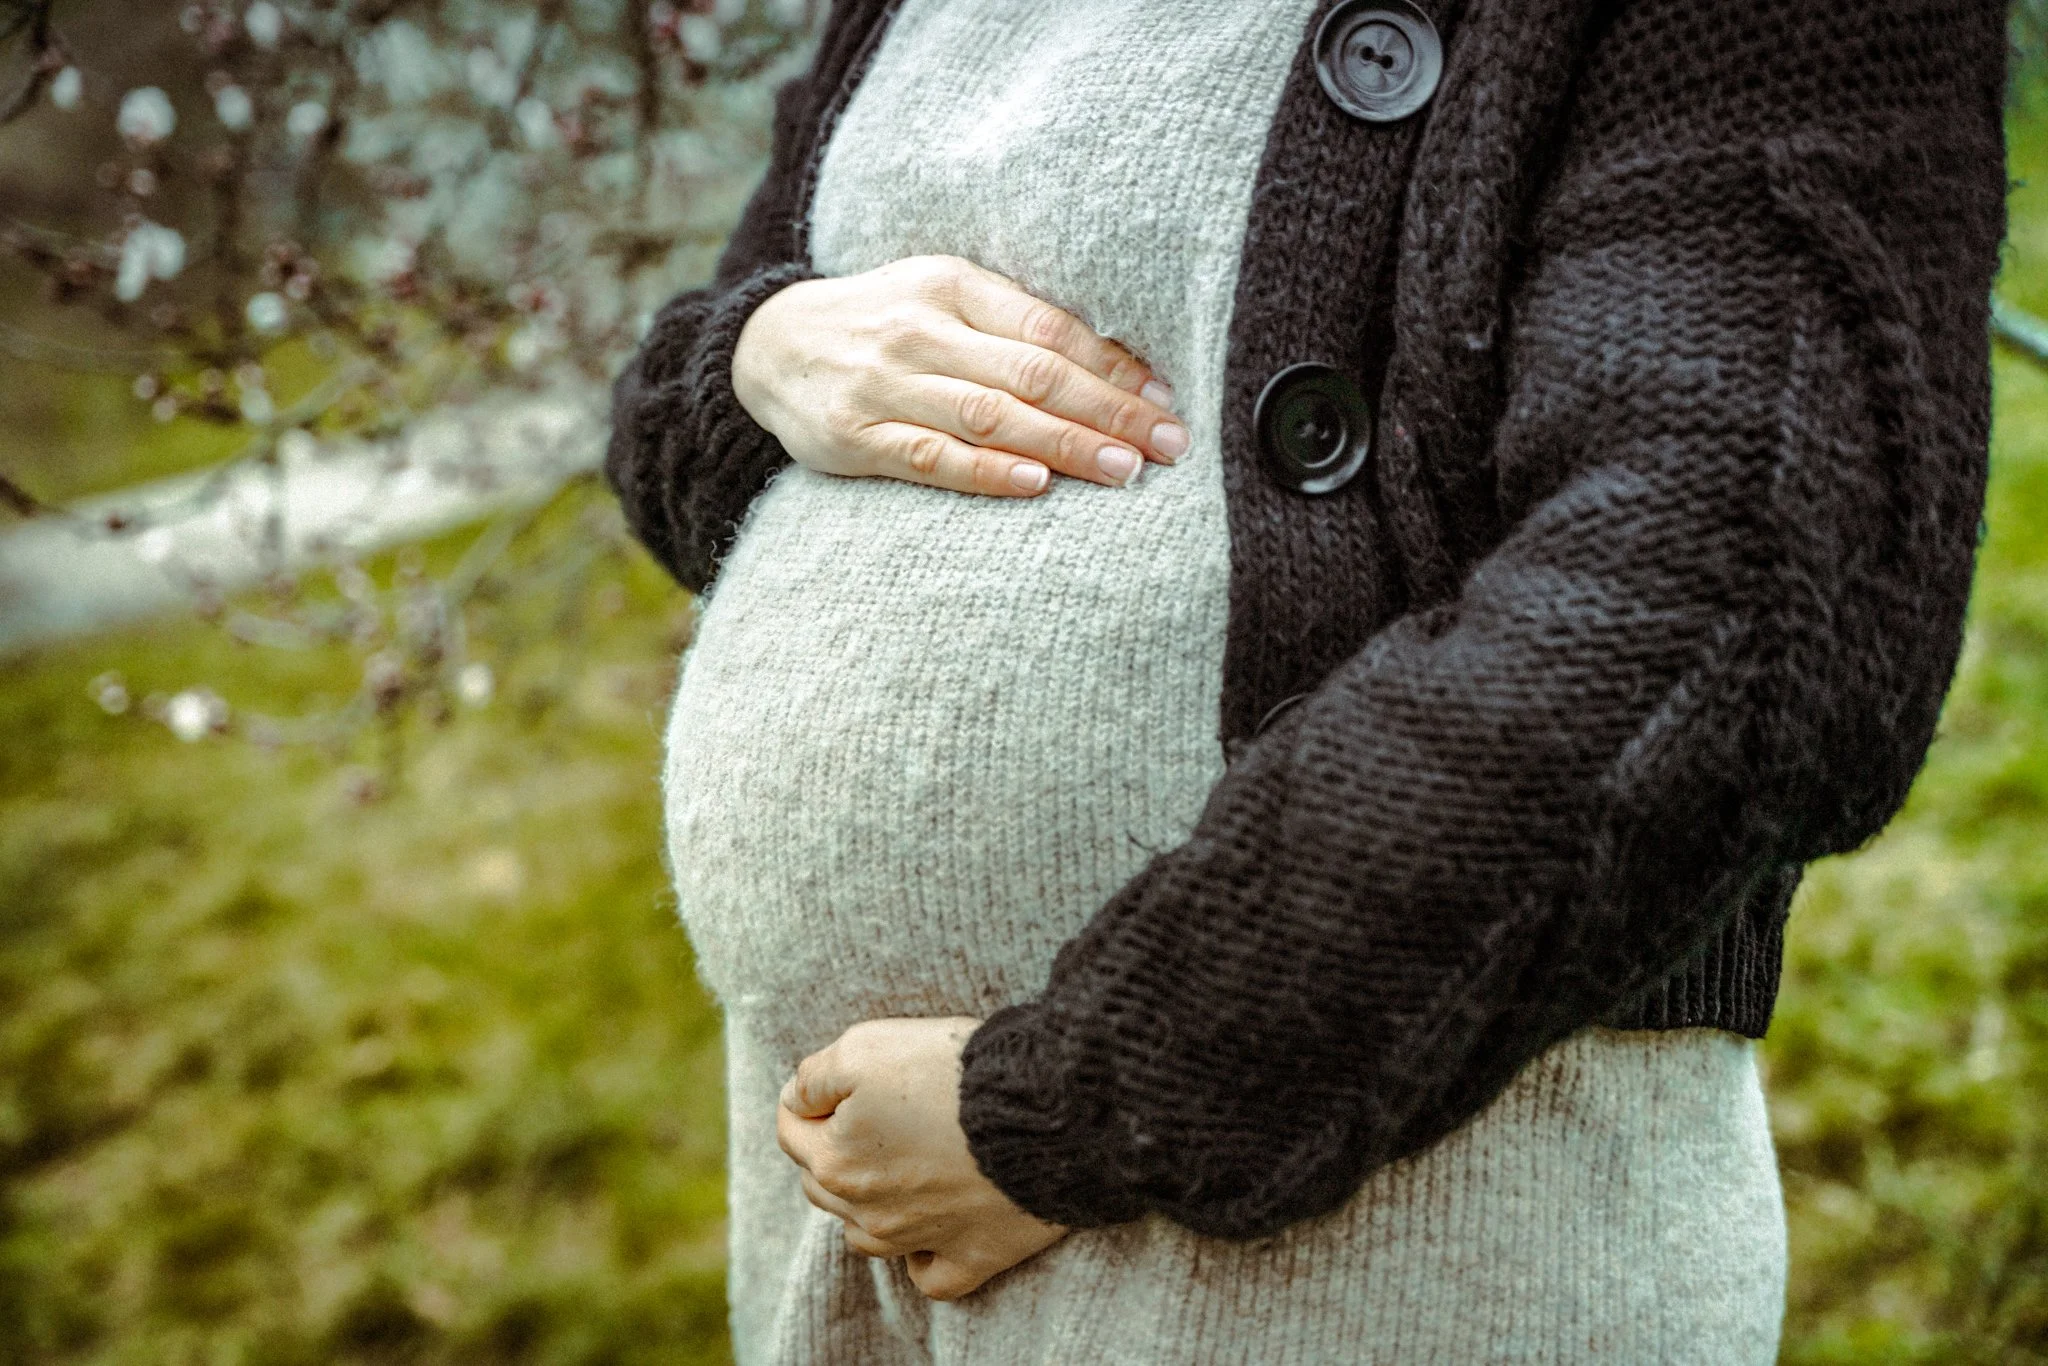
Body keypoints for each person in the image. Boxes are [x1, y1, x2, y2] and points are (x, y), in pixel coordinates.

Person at [603, 0, 2008, 1360]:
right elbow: (689, 444)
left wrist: (1067, 1106)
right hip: (842, 1196)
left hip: (1379, 1212)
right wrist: (755, 357)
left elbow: (1726, 609)